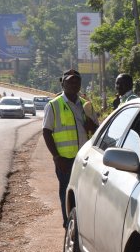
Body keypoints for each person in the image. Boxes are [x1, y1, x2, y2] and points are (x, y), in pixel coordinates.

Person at [42, 69, 98, 228]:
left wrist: (92, 125)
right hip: (65, 161)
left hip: (86, 160)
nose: (74, 84)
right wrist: (56, 157)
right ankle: (68, 224)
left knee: (85, 193)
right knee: (67, 194)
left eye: (77, 81)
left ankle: (82, 225)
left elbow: (98, 130)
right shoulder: (53, 105)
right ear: (63, 83)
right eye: (70, 81)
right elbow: (46, 132)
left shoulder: (87, 105)